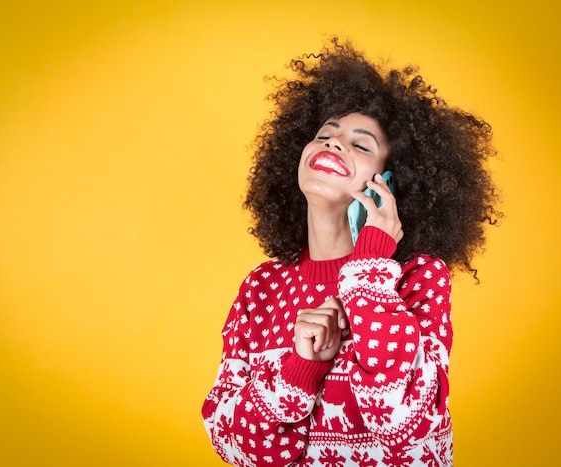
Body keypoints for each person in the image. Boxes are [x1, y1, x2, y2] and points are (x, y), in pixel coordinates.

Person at [202, 37, 499, 466]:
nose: (334, 143)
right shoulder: (262, 287)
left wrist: (370, 269)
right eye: (325, 134)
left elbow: (405, 430)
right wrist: (300, 369)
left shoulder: (418, 278)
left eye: (361, 145)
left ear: (393, 184)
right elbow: (236, 448)